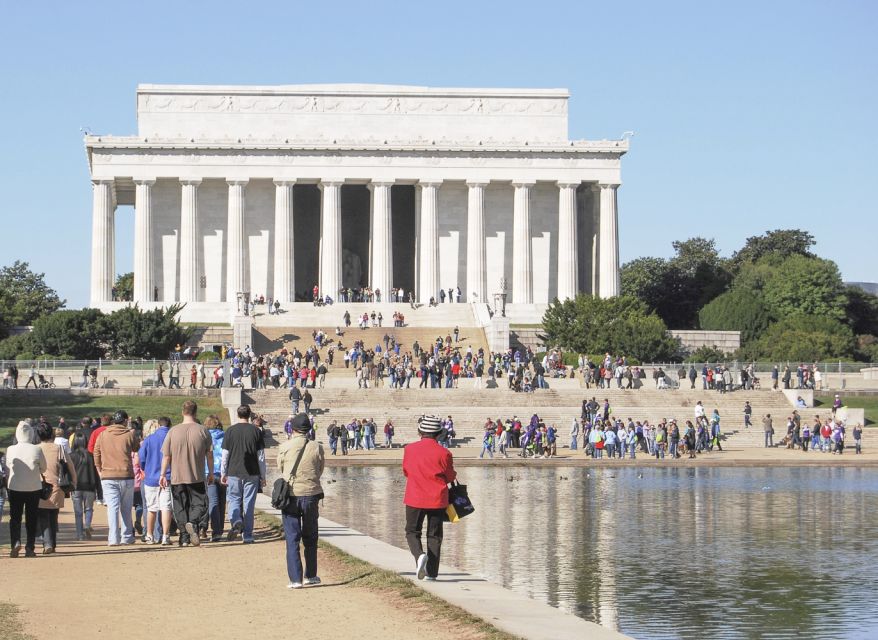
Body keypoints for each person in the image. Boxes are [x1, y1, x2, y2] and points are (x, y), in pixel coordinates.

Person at [402, 415, 457, 581]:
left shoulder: (409, 449)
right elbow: (449, 477)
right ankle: (432, 573)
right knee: (434, 535)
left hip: (415, 497)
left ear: (420, 431)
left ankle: (419, 556)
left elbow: (406, 471)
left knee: (412, 531)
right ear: (439, 433)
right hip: (437, 498)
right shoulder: (445, 452)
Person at [277, 413, 325, 589]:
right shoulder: (317, 447)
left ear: (293, 429)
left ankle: (295, 578)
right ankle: (311, 575)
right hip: (311, 493)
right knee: (311, 536)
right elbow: (320, 469)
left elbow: (281, 468)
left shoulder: (285, 446)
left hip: (291, 494)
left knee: (292, 537)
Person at [160, 400, 213, 547]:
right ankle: (193, 522)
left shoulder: (172, 431)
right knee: (199, 504)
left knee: (180, 507)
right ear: (196, 412)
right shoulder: (203, 430)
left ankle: (184, 537)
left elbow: (166, 456)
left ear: (182, 412)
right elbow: (209, 454)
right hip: (197, 475)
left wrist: (163, 474)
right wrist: (211, 473)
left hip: (177, 476)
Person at [94, 410, 140, 546]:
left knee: (112, 508)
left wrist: (99, 469)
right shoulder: (128, 434)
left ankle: (113, 538)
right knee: (126, 508)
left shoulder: (102, 434)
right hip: (126, 475)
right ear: (125, 421)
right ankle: (127, 536)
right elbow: (136, 448)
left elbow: (96, 452)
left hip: (108, 475)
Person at [222, 405, 267, 544]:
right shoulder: (256, 431)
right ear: (250, 415)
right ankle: (247, 535)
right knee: (249, 502)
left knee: (234, 499)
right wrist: (263, 475)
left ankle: (236, 521)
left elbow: (225, 455)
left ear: (237, 414)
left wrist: (223, 472)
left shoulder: (230, 431)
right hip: (252, 471)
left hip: (234, 470)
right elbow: (261, 456)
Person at [6, 421, 48, 557]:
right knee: (31, 518)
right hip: (33, 488)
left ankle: (15, 542)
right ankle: (30, 547)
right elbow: (44, 468)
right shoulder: (36, 449)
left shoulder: (11, 449)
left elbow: (8, 465)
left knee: (15, 518)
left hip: (15, 487)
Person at [36, 421, 77, 554]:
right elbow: (70, 466)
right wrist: (74, 482)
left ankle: (47, 542)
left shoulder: (36, 449)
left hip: (40, 486)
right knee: (53, 515)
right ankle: (52, 543)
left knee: (43, 516)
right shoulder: (59, 448)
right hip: (57, 485)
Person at [139, 417, 174, 545]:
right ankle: (165, 535)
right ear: (169, 425)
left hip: (151, 477)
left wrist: (145, 468)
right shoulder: (172, 438)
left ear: (159, 425)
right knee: (166, 507)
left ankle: (149, 534)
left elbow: (141, 458)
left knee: (151, 508)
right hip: (168, 477)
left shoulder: (149, 439)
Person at [69, 432, 98, 540]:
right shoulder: (91, 456)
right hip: (90, 486)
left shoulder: (72, 456)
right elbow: (95, 473)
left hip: (77, 487)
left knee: (78, 512)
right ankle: (87, 524)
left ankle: (80, 534)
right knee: (89, 508)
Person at [205, 415, 226, 542]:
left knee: (213, 501)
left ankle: (215, 530)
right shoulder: (225, 436)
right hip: (223, 472)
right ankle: (220, 529)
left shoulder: (205, 437)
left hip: (209, 471)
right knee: (222, 502)